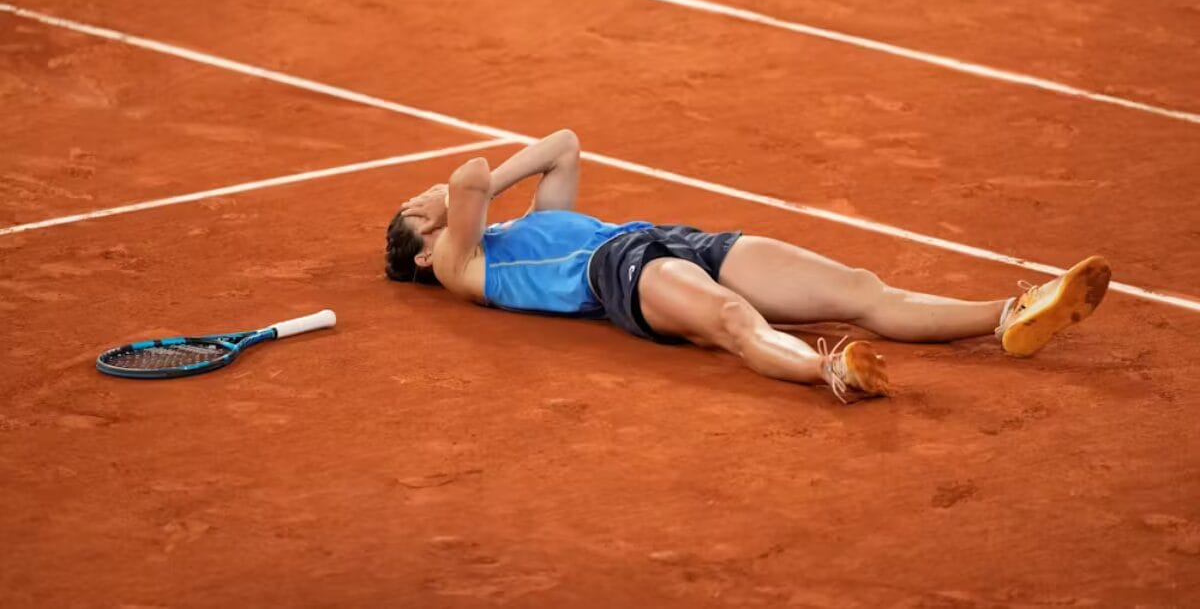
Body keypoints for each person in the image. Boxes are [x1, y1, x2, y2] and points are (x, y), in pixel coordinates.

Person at [385, 130, 1111, 403]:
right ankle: (830, 371)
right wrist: (444, 207)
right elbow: (474, 174)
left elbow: (565, 145)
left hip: (670, 239)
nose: (429, 200)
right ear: (425, 248)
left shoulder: (515, 226)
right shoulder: (456, 260)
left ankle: (1011, 313)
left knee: (858, 289)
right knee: (735, 321)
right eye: (419, 211)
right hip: (618, 275)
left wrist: (476, 202)